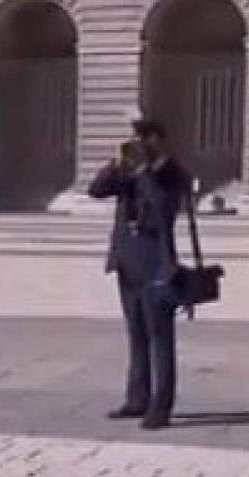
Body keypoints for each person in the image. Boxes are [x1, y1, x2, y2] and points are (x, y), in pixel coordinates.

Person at [89, 120, 188, 430]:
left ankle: (161, 405)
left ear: (159, 140)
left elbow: (162, 210)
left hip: (157, 266)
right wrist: (116, 164)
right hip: (127, 263)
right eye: (136, 137)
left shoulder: (172, 174)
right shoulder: (129, 172)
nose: (139, 143)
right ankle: (137, 399)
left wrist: (146, 170)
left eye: (145, 137)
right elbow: (96, 190)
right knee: (136, 335)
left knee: (160, 338)